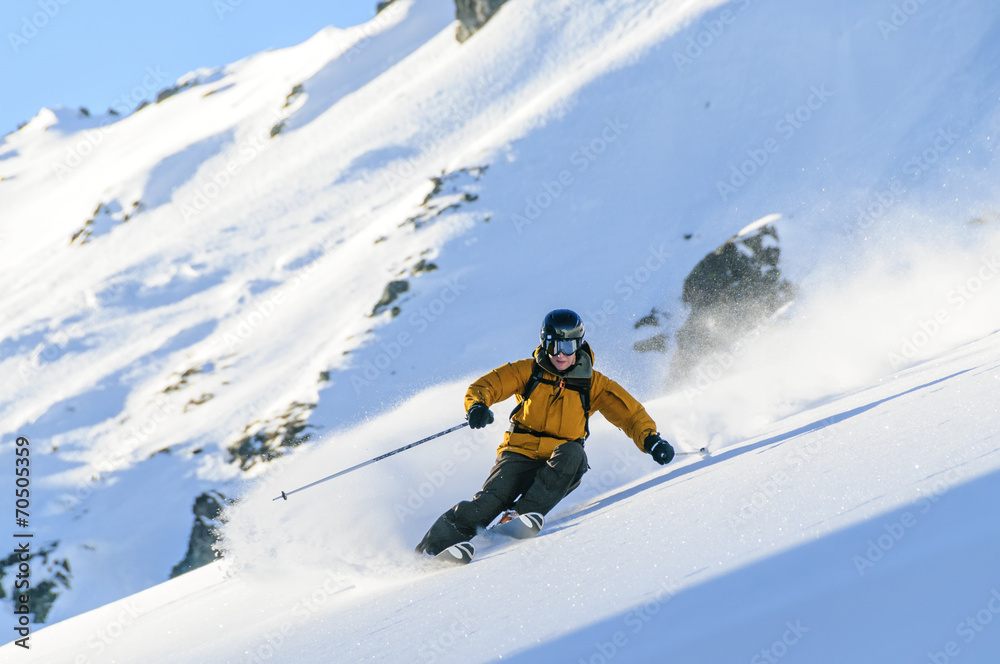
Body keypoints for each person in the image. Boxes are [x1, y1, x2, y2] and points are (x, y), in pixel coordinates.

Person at [415, 309, 675, 557]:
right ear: (544, 344)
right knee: (487, 504)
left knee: (574, 452)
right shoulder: (528, 371)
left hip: (561, 462)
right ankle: (430, 551)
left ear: (579, 346)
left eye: (567, 347)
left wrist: (651, 440)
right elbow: (487, 385)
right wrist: (477, 406)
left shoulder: (593, 384)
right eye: (553, 346)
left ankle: (517, 517)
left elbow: (630, 414)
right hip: (517, 454)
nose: (560, 355)